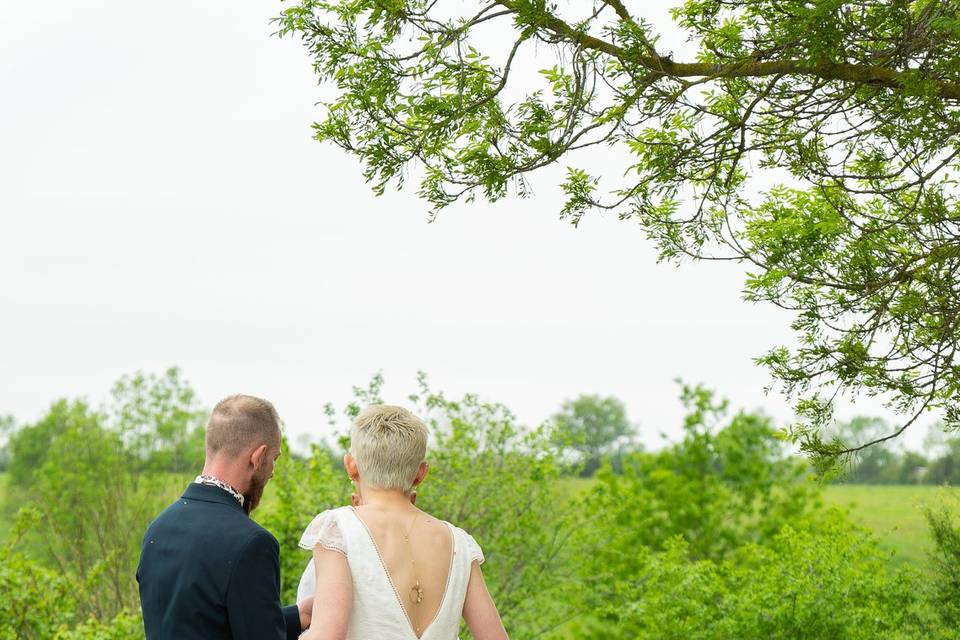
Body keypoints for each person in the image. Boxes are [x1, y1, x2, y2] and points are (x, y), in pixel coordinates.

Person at [296, 405, 508, 640]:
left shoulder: (337, 528)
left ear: (351, 466)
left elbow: (327, 635)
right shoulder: (460, 543)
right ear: (421, 473)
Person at [137, 394, 312, 640]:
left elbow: (205, 622)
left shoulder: (158, 528)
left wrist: (299, 615)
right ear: (258, 457)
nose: (272, 472)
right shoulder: (252, 543)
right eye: (274, 459)